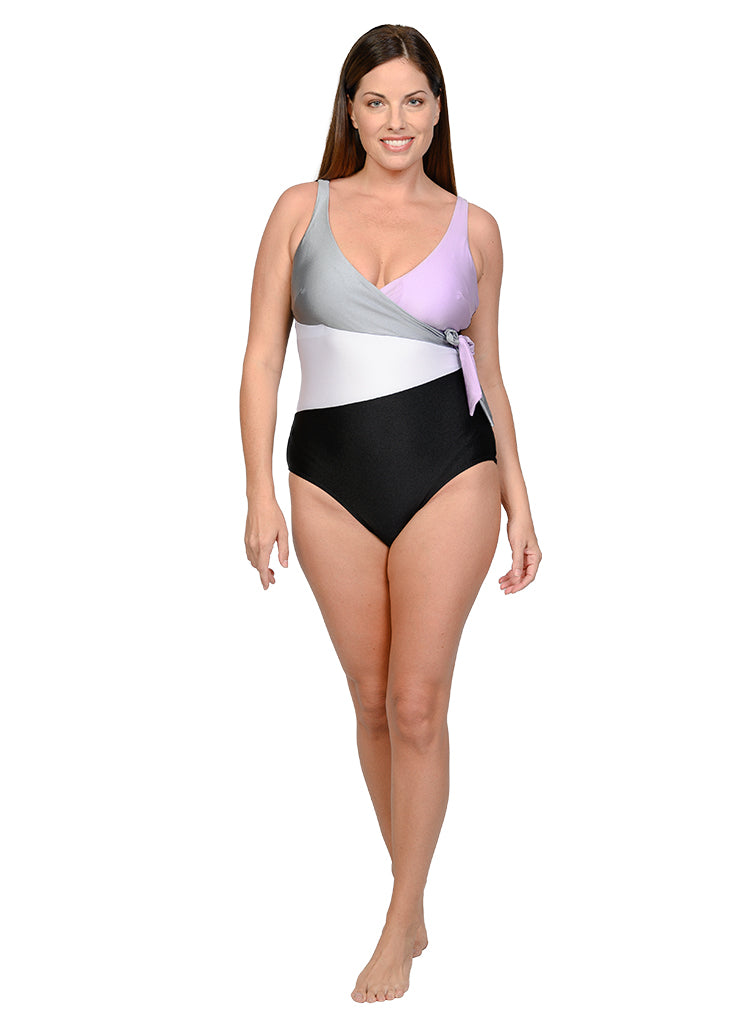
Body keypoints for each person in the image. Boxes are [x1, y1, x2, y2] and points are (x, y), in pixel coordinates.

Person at [239, 23, 542, 1003]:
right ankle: (411, 903)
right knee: (370, 700)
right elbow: (261, 357)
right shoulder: (300, 208)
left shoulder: (476, 228)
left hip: (451, 471)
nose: (396, 120)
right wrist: (257, 491)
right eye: (376, 101)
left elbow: (492, 373)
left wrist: (522, 503)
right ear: (351, 111)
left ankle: (397, 918)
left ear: (438, 110)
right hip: (327, 480)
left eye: (414, 100)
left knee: (418, 702)